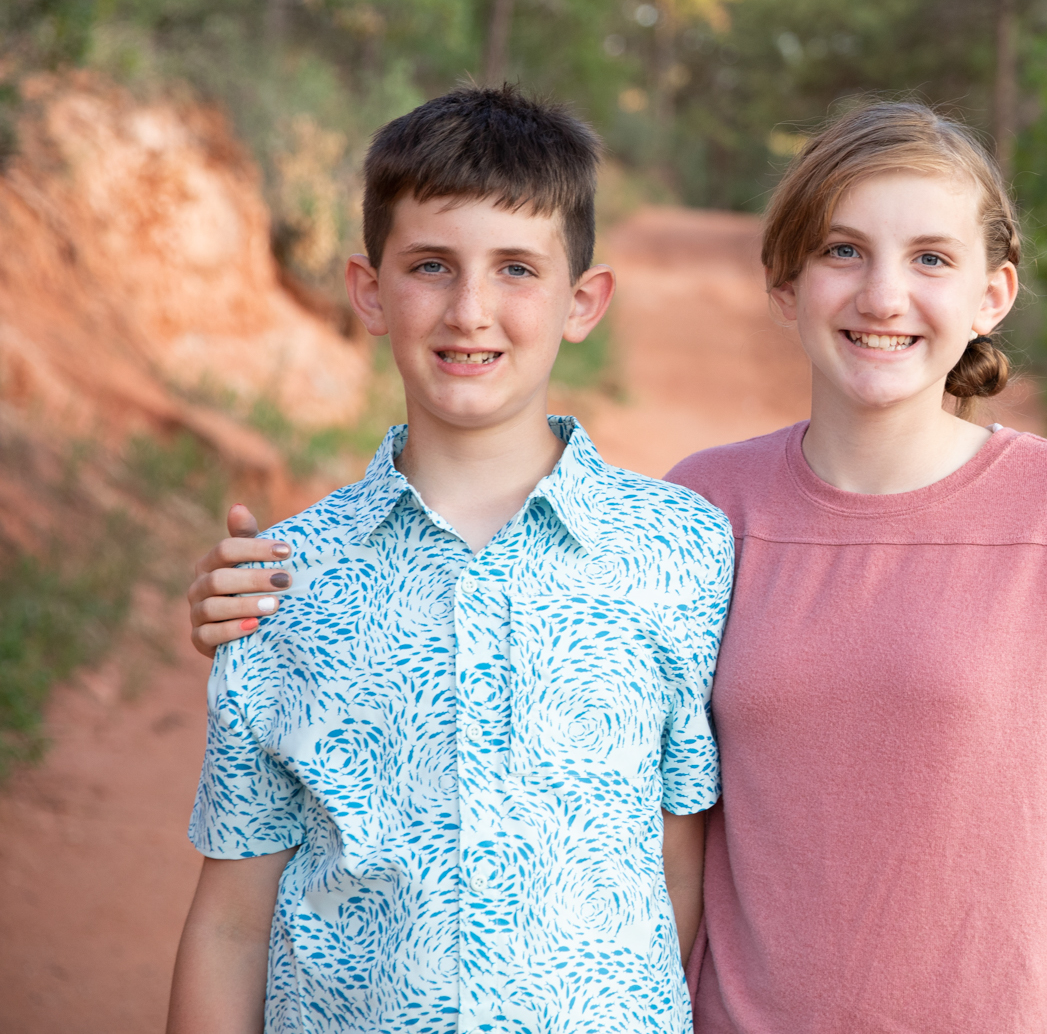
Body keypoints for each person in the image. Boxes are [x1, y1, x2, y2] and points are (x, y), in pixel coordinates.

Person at [187, 101, 1047, 1034]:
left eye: (932, 259)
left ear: (995, 294)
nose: (885, 293)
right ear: (785, 286)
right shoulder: (706, 514)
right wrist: (259, 593)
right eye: (844, 251)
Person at [167, 86, 734, 1034]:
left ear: (582, 301)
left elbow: (682, 870)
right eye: (432, 265)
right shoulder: (285, 580)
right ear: (370, 291)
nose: (471, 309)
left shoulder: (678, 549)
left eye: (517, 268)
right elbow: (229, 924)